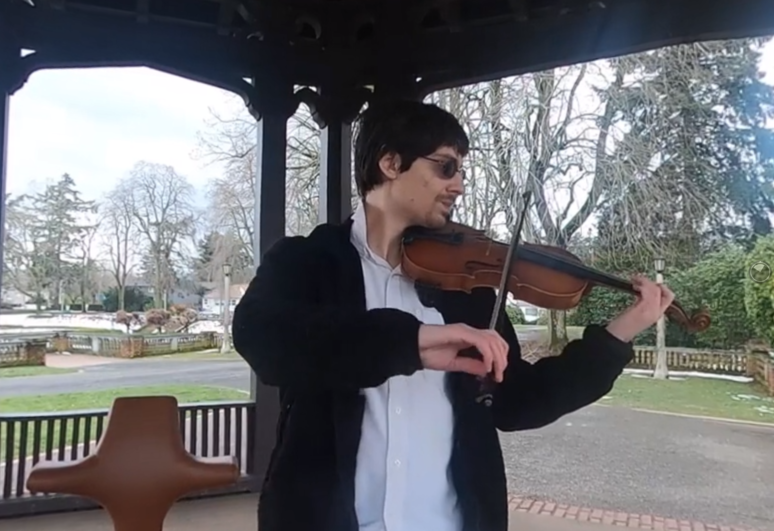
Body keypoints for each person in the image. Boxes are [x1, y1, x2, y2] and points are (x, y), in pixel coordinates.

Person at [232, 99, 675, 531]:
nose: (459, 184)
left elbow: (518, 402)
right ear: (390, 163)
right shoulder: (307, 261)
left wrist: (620, 332)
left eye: (461, 170)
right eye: (445, 167)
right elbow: (261, 335)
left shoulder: (470, 289)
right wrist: (412, 342)